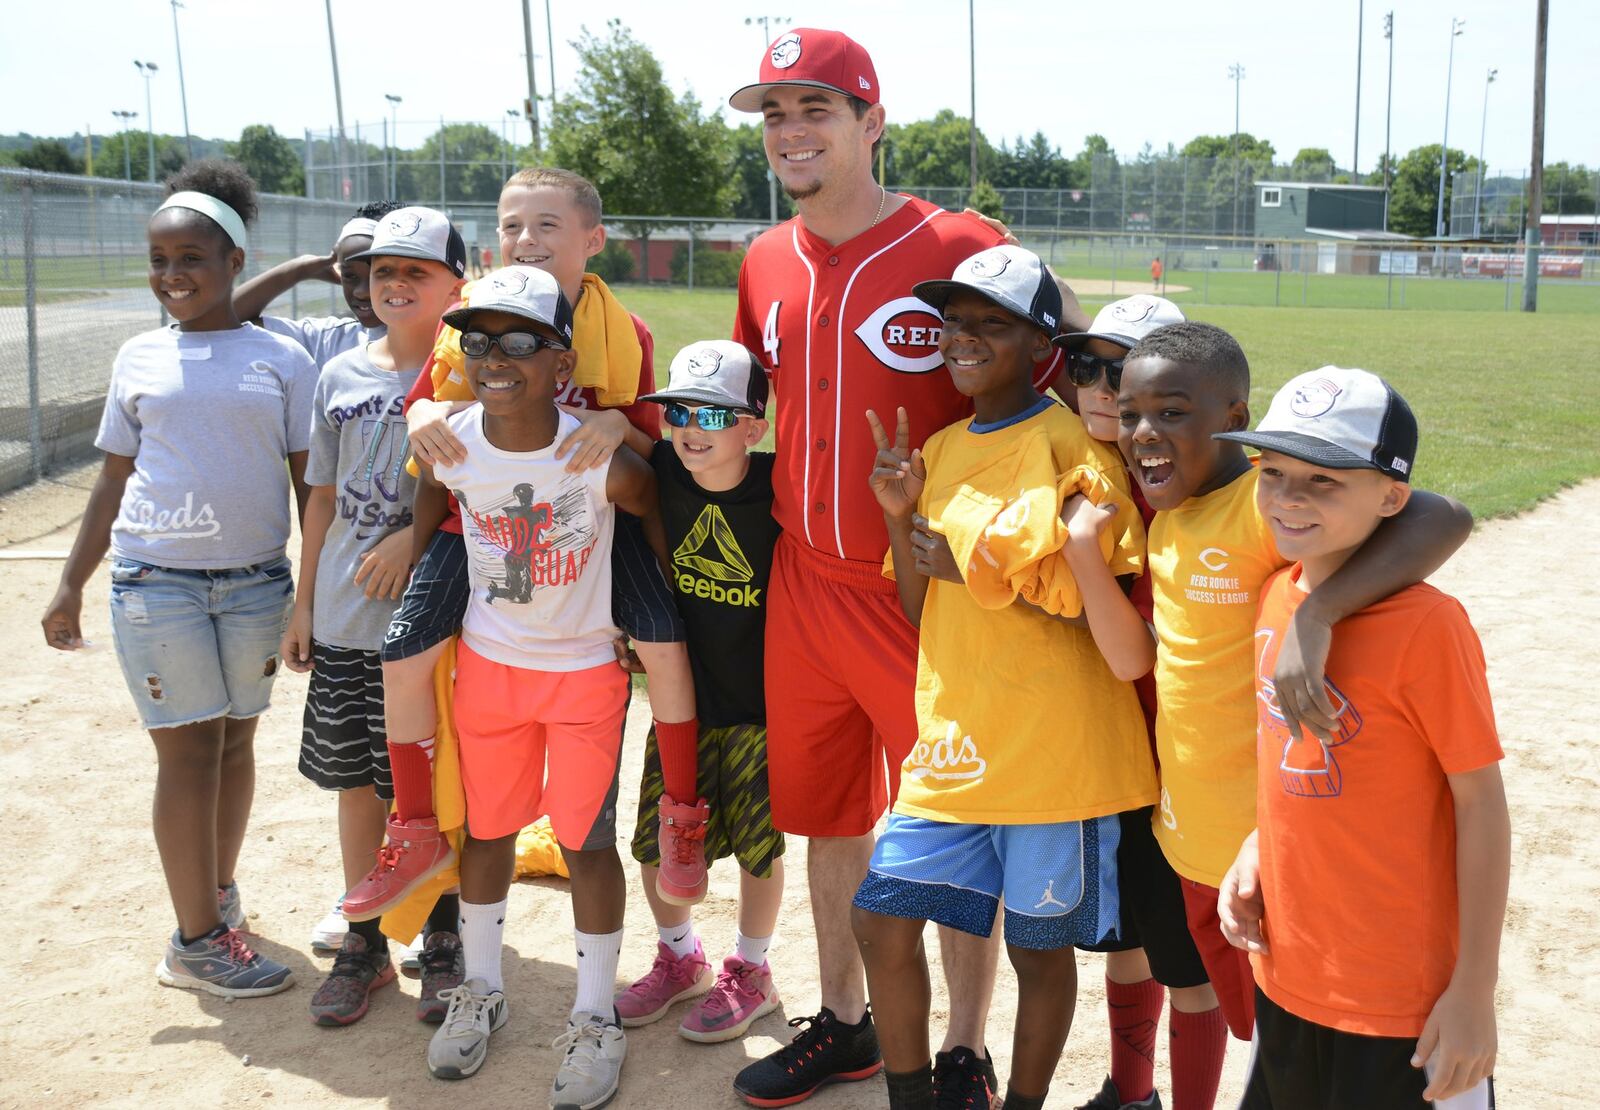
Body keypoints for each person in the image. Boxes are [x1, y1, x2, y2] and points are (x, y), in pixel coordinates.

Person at [725, 28, 1090, 1106]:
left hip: (931, 590)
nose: (791, 132)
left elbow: (1070, 366)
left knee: (958, 826)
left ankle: (963, 1045)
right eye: (774, 115)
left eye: (816, 109)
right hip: (803, 579)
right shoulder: (763, 259)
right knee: (830, 816)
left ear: (870, 124)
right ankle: (846, 1022)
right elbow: (747, 405)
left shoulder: (960, 240)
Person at [353, 167, 706, 928]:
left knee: (667, 644)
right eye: (513, 226)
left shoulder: (626, 331)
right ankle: (414, 828)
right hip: (477, 523)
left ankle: (684, 809)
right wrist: (419, 421)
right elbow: (431, 410)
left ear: (592, 241)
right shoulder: (475, 315)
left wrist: (618, 425)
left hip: (593, 523)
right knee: (404, 652)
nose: (526, 240)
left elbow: (643, 442)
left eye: (547, 226)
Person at [852, 245, 1155, 1110]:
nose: (966, 338)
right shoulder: (940, 448)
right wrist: (901, 514)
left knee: (1037, 949)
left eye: (994, 324)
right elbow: (923, 608)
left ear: (1040, 345)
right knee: (880, 918)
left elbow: (1077, 602)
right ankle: (911, 1098)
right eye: (956, 322)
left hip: (1054, 751)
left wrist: (968, 562)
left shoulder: (1073, 450)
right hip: (956, 742)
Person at [1116, 322, 1474, 1052]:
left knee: (1302, 1035)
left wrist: (1321, 610)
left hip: (1268, 853)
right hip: (1191, 844)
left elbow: (1442, 514)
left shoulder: (1261, 500)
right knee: (1261, 1040)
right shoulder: (1167, 521)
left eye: (1172, 413)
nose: (1145, 431)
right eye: (1132, 415)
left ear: (1234, 422)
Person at [40, 159, 315, 998]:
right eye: (159, 260)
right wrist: (69, 583)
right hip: (157, 583)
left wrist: (309, 594)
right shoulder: (138, 358)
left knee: (236, 742)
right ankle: (194, 940)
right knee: (189, 754)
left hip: (255, 584)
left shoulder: (283, 359)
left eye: (190, 257)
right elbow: (113, 480)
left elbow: (312, 489)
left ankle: (216, 899)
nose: (171, 276)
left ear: (235, 260)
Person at [1216, 368, 1506, 1110]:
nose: (1287, 498)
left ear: (1391, 497)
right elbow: (1292, 757)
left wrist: (1474, 990)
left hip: (1399, 1002)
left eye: (1325, 480)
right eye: (1274, 472)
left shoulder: (1428, 627)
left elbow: (1480, 804)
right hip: (1291, 972)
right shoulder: (1280, 594)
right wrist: (1257, 847)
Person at [412, 266, 659, 1106]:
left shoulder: (593, 452)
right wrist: (410, 565)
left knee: (588, 843)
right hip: (490, 669)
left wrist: (646, 614)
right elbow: (428, 492)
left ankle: (595, 1016)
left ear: (562, 360)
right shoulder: (451, 440)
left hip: (585, 672)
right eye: (477, 340)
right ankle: (480, 990)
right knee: (489, 834)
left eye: (520, 340)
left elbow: (653, 507)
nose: (495, 356)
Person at [280, 205, 467, 1026]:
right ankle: (364, 940)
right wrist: (305, 600)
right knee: (359, 784)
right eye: (384, 271)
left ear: (456, 286)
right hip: (350, 617)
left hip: (439, 625)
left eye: (416, 272)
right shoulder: (341, 375)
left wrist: (409, 536)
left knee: (435, 789)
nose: (395, 284)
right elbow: (319, 494)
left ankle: (444, 933)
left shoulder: (473, 373)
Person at [1058, 296, 1230, 1110]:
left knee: (1190, 960)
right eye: (1083, 367)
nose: (1097, 385)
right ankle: (1130, 1094)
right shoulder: (1078, 469)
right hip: (1106, 751)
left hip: (1186, 764)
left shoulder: (1191, 485)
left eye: (1117, 368)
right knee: (1124, 940)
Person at [611, 340, 787, 1045]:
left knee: (757, 850)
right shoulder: (664, 467)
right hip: (682, 706)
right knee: (656, 842)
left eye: (714, 414)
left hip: (759, 710)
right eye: (680, 410)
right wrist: (610, 426)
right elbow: (621, 433)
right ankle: (680, 957)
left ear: (754, 426)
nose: (691, 427)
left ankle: (754, 969)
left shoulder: (780, 488)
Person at [233, 200, 404, 373]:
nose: (361, 292)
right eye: (349, 275)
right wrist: (302, 268)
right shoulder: (330, 340)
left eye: (379, 273)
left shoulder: (431, 343)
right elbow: (229, 319)